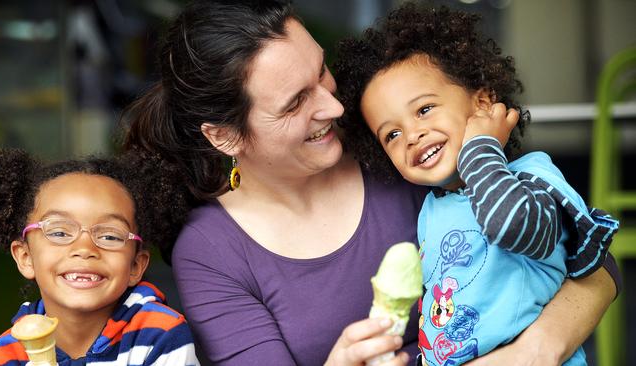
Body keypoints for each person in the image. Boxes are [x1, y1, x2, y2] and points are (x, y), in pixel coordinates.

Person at [121, 1, 622, 365]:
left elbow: (590, 260)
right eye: (296, 102)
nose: (334, 107)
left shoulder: (396, 151)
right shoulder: (212, 250)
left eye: (323, 72)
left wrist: (534, 353)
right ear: (225, 135)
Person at [333, 4, 619, 365]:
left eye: (423, 110)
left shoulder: (533, 176)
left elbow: (512, 225)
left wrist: (480, 145)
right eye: (391, 134)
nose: (412, 135)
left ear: (482, 103)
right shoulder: (432, 210)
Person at [0, 149, 199, 366]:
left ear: (136, 265)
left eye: (110, 236)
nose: (85, 248)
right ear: (25, 257)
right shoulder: (2, 356)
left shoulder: (159, 335)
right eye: (59, 232)